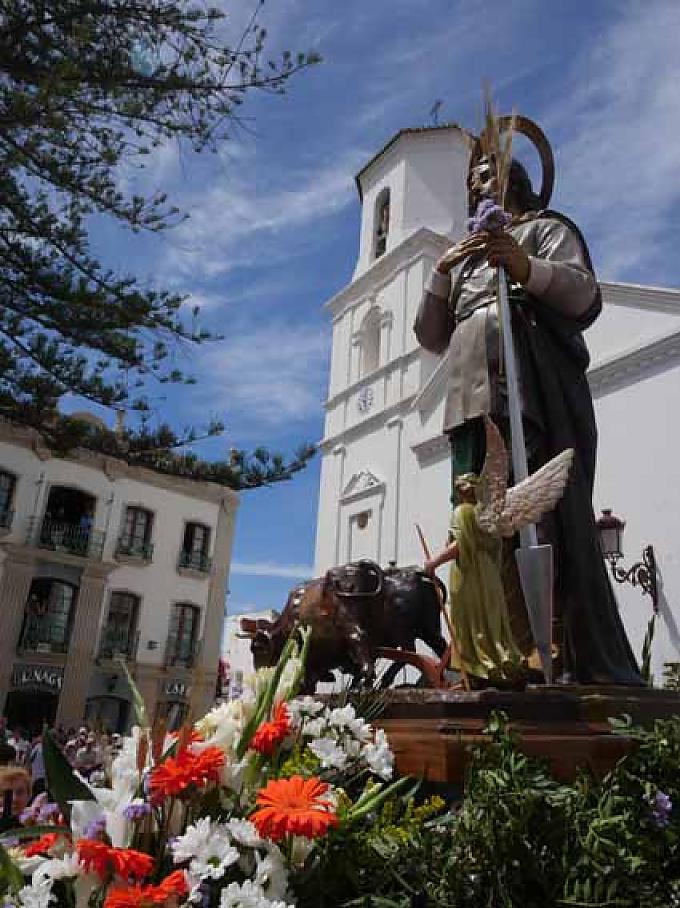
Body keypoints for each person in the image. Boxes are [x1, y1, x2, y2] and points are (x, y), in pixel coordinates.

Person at [414, 157, 641, 686]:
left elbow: (583, 294)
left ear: (514, 177)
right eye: (471, 178)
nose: (477, 182)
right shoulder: (465, 259)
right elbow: (430, 336)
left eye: (487, 170)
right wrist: (441, 271)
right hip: (468, 399)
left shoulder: (545, 229)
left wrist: (522, 265)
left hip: (527, 388)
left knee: (534, 514)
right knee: (473, 522)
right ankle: (481, 650)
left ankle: (547, 643)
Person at [425, 473, 525, 684]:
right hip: (489, 573)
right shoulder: (487, 514)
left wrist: (434, 563)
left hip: (467, 571)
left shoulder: (462, 512)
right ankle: (501, 659)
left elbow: (459, 545)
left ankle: (478, 666)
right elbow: (497, 546)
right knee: (491, 617)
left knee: (469, 619)